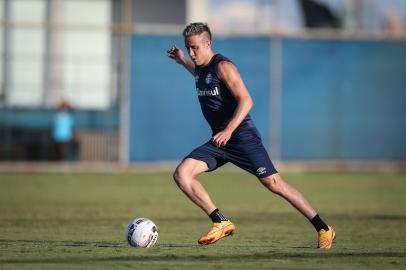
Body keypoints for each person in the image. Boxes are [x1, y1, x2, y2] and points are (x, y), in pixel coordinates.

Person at [167, 22, 336, 248]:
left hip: (241, 136)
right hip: (220, 140)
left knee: (274, 184)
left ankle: (323, 228)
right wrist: (183, 62)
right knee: (182, 174)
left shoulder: (224, 67)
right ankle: (220, 222)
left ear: (208, 44)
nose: (191, 52)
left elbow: (247, 100)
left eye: (195, 48)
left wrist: (228, 130)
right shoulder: (201, 67)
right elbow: (199, 75)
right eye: (188, 48)